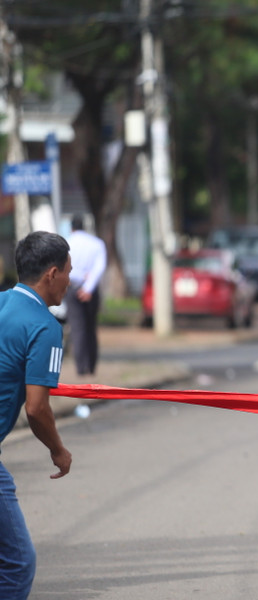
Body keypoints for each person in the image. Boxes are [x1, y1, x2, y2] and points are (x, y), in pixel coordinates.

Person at [0, 231, 73, 599]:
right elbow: (37, 407)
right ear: (52, 274)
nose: (70, 282)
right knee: (17, 563)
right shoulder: (45, 328)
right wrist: (58, 450)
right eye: (69, 273)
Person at [65, 214, 107, 376]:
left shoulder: (66, 243)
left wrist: (79, 278)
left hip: (73, 288)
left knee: (77, 328)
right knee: (91, 327)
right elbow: (100, 267)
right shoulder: (97, 243)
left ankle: (81, 367)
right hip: (92, 290)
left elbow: (65, 268)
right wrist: (88, 288)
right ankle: (92, 365)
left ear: (71, 228)